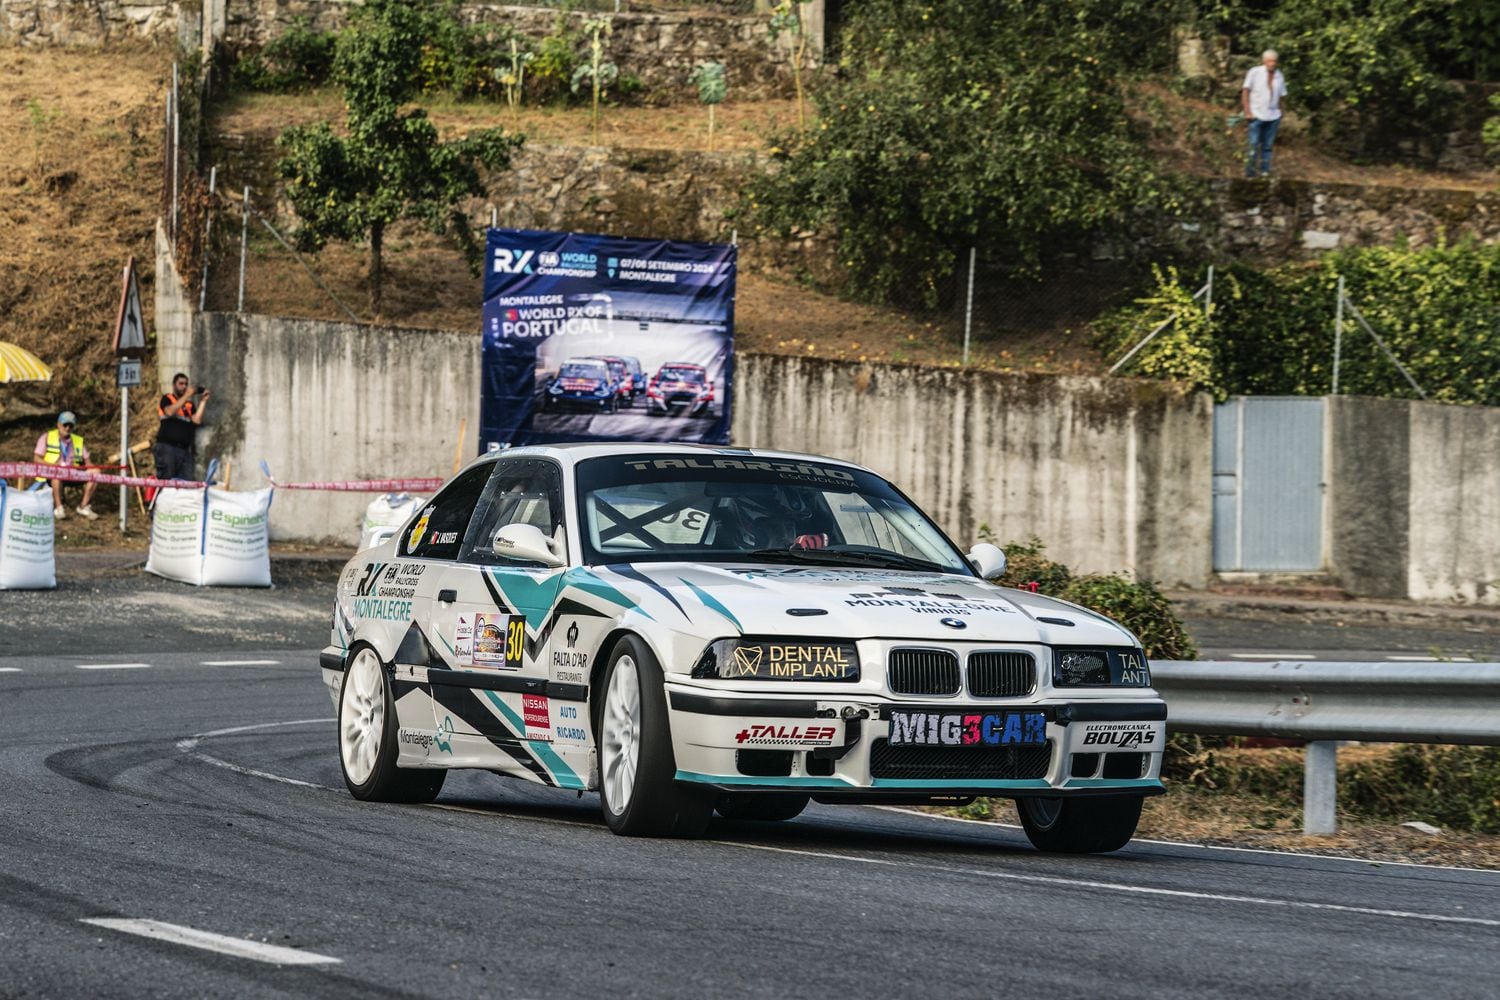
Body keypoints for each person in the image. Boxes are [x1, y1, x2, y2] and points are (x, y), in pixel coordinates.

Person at [33, 411, 97, 519]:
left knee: (96, 472)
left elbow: (88, 462)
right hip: (52, 473)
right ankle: (59, 508)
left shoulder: (78, 441)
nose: (67, 428)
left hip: (73, 473)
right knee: (56, 477)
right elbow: (37, 458)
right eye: (65, 425)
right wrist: (52, 466)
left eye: (70, 426)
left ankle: (83, 506)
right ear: (58, 424)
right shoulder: (47, 437)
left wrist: (89, 468)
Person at [155, 372, 210, 482]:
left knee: (186, 483)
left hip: (184, 450)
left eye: (186, 384)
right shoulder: (167, 398)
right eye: (181, 384)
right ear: (174, 385)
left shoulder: (189, 405)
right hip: (167, 448)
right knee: (167, 482)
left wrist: (203, 401)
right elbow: (169, 412)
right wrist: (187, 395)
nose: (184, 386)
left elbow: (196, 420)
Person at [1242, 49, 1288, 178]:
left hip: (1273, 116)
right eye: (1269, 61)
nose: (1272, 63)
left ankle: (1264, 173)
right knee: (1253, 145)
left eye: (1274, 61)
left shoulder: (1280, 75)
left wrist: (1281, 112)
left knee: (1267, 146)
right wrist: (1247, 111)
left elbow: (1282, 96)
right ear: (1264, 61)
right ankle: (1250, 174)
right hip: (1256, 115)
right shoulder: (1255, 72)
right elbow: (1245, 91)